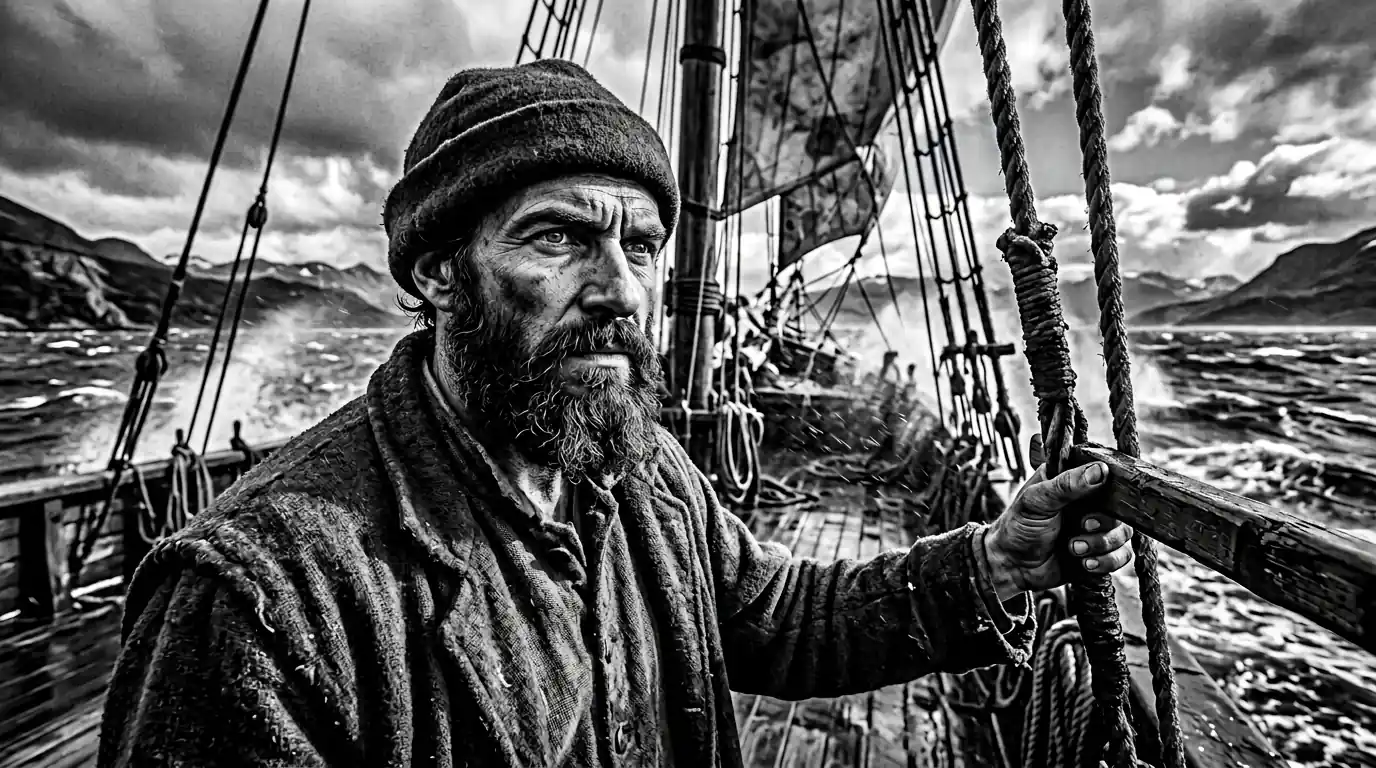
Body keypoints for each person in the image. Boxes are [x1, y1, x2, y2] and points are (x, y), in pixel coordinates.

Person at [97, 59, 1134, 768]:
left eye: (640, 246)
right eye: (556, 239)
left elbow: (766, 617)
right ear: (435, 274)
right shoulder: (260, 603)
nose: (623, 291)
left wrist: (992, 564)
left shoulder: (638, 472)